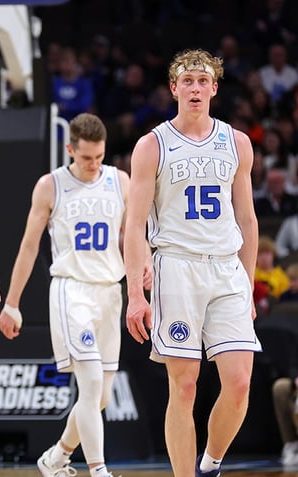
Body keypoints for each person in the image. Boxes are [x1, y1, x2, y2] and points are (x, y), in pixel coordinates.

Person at [123, 49, 260, 477]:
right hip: (177, 268)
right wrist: (134, 295)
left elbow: (248, 219)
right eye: (188, 81)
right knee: (184, 387)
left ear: (215, 88)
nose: (195, 87)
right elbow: (134, 227)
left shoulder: (236, 142)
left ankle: (211, 463)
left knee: (239, 383)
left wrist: (249, 284)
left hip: (226, 269)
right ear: (174, 88)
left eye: (203, 81)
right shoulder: (152, 145)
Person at [0, 113, 149, 477]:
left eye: (99, 156)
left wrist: (144, 263)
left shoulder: (119, 181)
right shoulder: (51, 186)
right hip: (72, 291)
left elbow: (134, 232)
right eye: (86, 158)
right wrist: (12, 303)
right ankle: (98, 470)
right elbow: (29, 247)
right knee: (91, 382)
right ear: (70, 150)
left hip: (110, 292)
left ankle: (56, 457)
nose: (94, 164)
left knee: (99, 398)